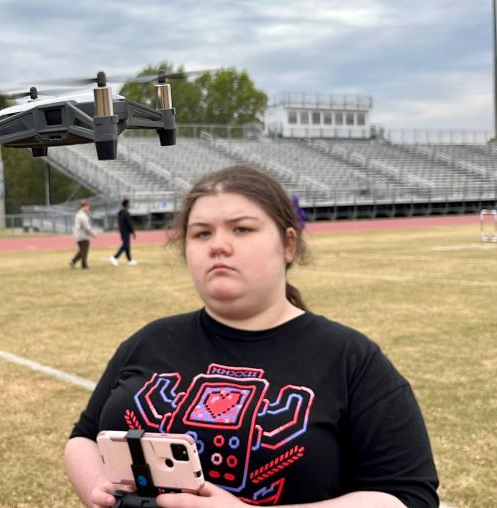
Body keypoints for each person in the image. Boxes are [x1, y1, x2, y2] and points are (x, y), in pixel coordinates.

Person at [65, 165, 438, 507]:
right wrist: (97, 486)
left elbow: (409, 496)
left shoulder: (350, 358)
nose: (218, 245)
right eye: (201, 233)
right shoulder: (148, 341)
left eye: (242, 228)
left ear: (288, 244)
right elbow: (84, 436)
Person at [109, 199, 137, 267]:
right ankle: (114, 257)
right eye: (129, 203)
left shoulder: (121, 212)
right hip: (125, 232)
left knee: (127, 246)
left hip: (123, 232)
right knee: (125, 246)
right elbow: (129, 224)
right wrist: (133, 232)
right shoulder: (125, 213)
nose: (130, 205)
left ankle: (129, 260)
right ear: (126, 204)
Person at [69, 200, 95, 269]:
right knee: (84, 251)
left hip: (79, 235)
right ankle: (84, 265)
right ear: (83, 207)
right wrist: (93, 234)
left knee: (82, 251)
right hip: (83, 235)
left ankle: (73, 262)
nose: (88, 208)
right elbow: (86, 227)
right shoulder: (82, 216)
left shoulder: (79, 214)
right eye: (87, 206)